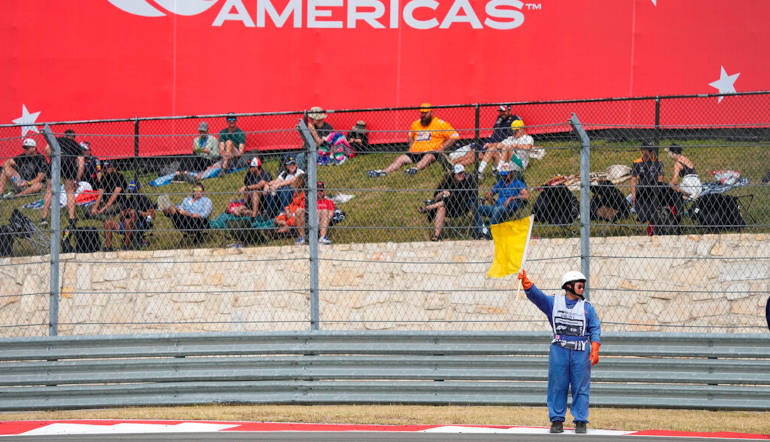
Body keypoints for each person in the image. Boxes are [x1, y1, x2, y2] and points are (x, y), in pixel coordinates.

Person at [516, 269, 601, 434]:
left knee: (581, 387)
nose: (582, 288)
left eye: (583, 285)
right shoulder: (554, 303)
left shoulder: (587, 308)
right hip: (559, 350)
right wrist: (527, 283)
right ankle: (556, 420)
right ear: (568, 286)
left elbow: (595, 327)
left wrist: (595, 347)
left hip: (581, 351)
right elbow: (538, 297)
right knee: (557, 385)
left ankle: (581, 421)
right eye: (579, 285)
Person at [367, 103, 459, 177]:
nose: (423, 115)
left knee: (428, 157)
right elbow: (410, 135)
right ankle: (384, 171)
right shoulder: (416, 124)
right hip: (415, 152)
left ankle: (415, 169)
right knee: (401, 158)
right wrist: (411, 146)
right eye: (422, 113)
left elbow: (454, 136)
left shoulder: (440, 124)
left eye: (425, 113)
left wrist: (442, 148)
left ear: (431, 112)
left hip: (430, 152)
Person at [418, 163, 477, 241]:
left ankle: (428, 207)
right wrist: (443, 192)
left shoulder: (467, 182)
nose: (461, 174)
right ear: (454, 174)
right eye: (459, 173)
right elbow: (436, 197)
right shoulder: (448, 181)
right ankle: (436, 236)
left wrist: (450, 195)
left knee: (450, 199)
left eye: (463, 172)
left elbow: (463, 198)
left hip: (462, 207)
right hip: (449, 208)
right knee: (441, 208)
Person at [41, 133, 84, 230]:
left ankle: (44, 217)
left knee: (49, 190)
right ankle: (72, 218)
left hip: (56, 159)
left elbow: (47, 149)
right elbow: (81, 164)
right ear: (73, 137)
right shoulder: (76, 145)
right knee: (69, 191)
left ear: (65, 136)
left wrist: (52, 157)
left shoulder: (57, 139)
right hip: (68, 162)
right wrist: (77, 179)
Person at [475, 161, 529, 239]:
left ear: (511, 173)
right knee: (478, 207)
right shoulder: (501, 183)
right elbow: (490, 192)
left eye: (506, 175)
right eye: (502, 175)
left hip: (508, 209)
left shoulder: (518, 183)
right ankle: (480, 233)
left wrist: (512, 198)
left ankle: (489, 234)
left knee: (497, 209)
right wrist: (488, 196)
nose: (504, 177)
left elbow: (526, 196)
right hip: (496, 207)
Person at [450, 105, 515, 168]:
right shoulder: (499, 118)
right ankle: (454, 162)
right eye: (501, 111)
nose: (502, 113)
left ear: (509, 110)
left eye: (504, 111)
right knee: (473, 151)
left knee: (477, 155)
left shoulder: (514, 120)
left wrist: (493, 144)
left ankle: (455, 165)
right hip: (490, 140)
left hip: (498, 145)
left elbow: (512, 138)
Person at [102, 180, 155, 251]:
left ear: (139, 189)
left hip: (140, 223)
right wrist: (126, 212)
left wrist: (138, 213)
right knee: (108, 223)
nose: (132, 193)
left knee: (128, 221)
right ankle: (108, 247)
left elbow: (152, 216)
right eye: (131, 191)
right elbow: (120, 217)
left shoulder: (145, 200)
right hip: (125, 224)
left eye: (134, 191)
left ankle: (125, 247)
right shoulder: (128, 201)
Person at [630, 142, 664, 223]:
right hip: (642, 187)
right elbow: (633, 179)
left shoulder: (658, 161)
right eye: (648, 150)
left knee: (655, 198)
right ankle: (642, 216)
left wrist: (658, 187)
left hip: (654, 187)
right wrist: (633, 193)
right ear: (642, 150)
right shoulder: (637, 162)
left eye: (651, 150)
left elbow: (661, 177)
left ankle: (652, 216)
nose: (650, 151)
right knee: (638, 196)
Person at [274, 174, 307, 243]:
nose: (294, 182)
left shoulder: (304, 194)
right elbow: (291, 205)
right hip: (290, 213)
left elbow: (301, 209)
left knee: (292, 220)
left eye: (296, 181)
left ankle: (287, 227)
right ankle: (286, 226)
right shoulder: (296, 193)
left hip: (296, 215)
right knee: (276, 219)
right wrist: (287, 209)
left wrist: (291, 213)